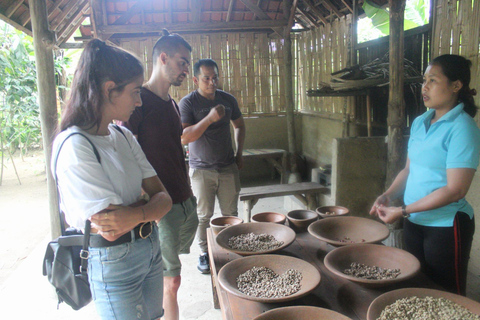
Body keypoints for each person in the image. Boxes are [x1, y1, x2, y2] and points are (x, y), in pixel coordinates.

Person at [52, 39, 173, 320]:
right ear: (109, 90)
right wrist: (147, 206)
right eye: (134, 92)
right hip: (113, 259)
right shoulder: (75, 145)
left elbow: (164, 198)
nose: (139, 101)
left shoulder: (122, 135)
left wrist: (137, 212)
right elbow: (111, 228)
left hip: (150, 248)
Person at [369, 54, 480, 296]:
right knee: (418, 285)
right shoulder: (420, 122)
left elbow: (455, 190)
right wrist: (388, 196)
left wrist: (403, 211)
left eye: (433, 80)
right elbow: (409, 169)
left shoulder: (463, 128)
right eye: (424, 80)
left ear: (456, 86)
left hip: (446, 225)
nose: (424, 87)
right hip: (414, 221)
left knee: (447, 293)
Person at [121, 30, 198, 320]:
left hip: (181, 198)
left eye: (187, 63)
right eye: (182, 62)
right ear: (163, 58)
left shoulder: (173, 105)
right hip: (158, 204)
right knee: (171, 280)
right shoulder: (137, 104)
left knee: (168, 275)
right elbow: (123, 154)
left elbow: (175, 152)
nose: (185, 69)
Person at [179, 58, 246, 274]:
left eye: (215, 77)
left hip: (227, 167)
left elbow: (239, 125)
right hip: (201, 170)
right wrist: (209, 118)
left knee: (230, 213)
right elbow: (184, 137)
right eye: (206, 78)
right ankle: (204, 253)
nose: (211, 82)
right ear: (196, 79)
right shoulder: (188, 103)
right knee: (203, 216)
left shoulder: (228, 100)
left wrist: (239, 153)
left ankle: (233, 248)